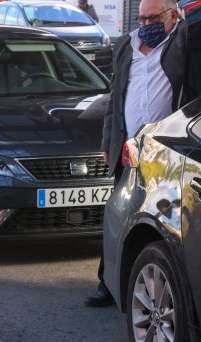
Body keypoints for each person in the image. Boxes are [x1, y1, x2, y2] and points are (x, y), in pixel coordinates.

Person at [87, 0, 187, 307]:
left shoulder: (181, 42)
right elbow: (115, 97)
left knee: (160, 218)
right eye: (141, 19)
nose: (145, 25)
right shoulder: (126, 44)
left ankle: (159, 283)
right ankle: (108, 282)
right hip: (128, 149)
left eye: (152, 18)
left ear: (172, 16)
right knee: (119, 216)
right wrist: (108, 142)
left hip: (164, 152)